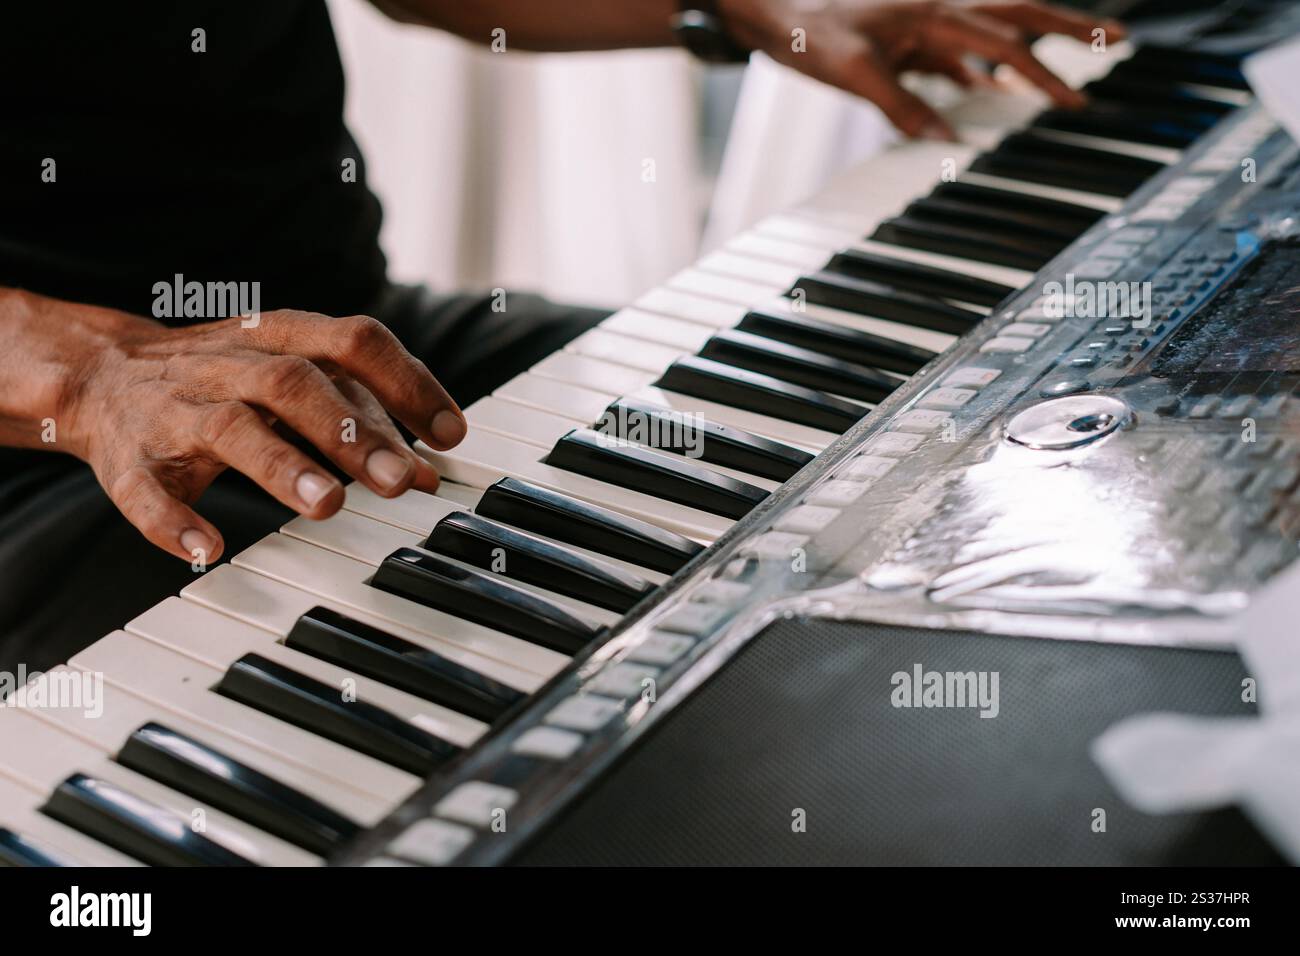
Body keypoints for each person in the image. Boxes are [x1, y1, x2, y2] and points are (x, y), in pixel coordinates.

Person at [0, 0, 1123, 670]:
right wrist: (97, 377)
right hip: (60, 457)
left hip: (350, 340)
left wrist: (743, 6)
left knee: (888, 432)